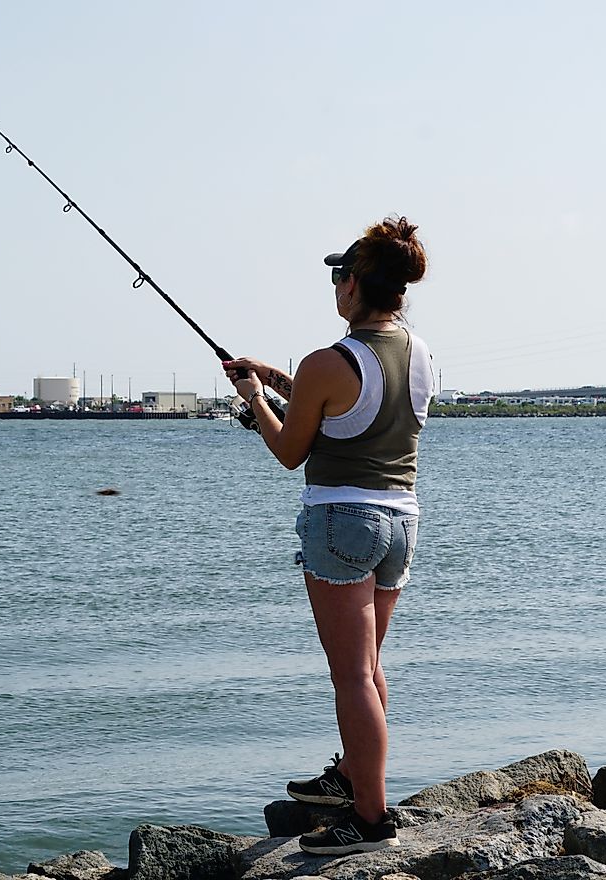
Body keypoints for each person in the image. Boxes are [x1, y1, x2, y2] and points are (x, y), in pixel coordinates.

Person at [224, 216, 433, 856]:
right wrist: (275, 379)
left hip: (341, 524)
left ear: (355, 288)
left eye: (339, 276)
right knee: (368, 669)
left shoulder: (325, 361)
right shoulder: (420, 353)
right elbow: (349, 411)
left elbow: (292, 448)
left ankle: (369, 819)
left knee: (350, 676)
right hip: (401, 522)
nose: (334, 287)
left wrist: (257, 396)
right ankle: (351, 775)